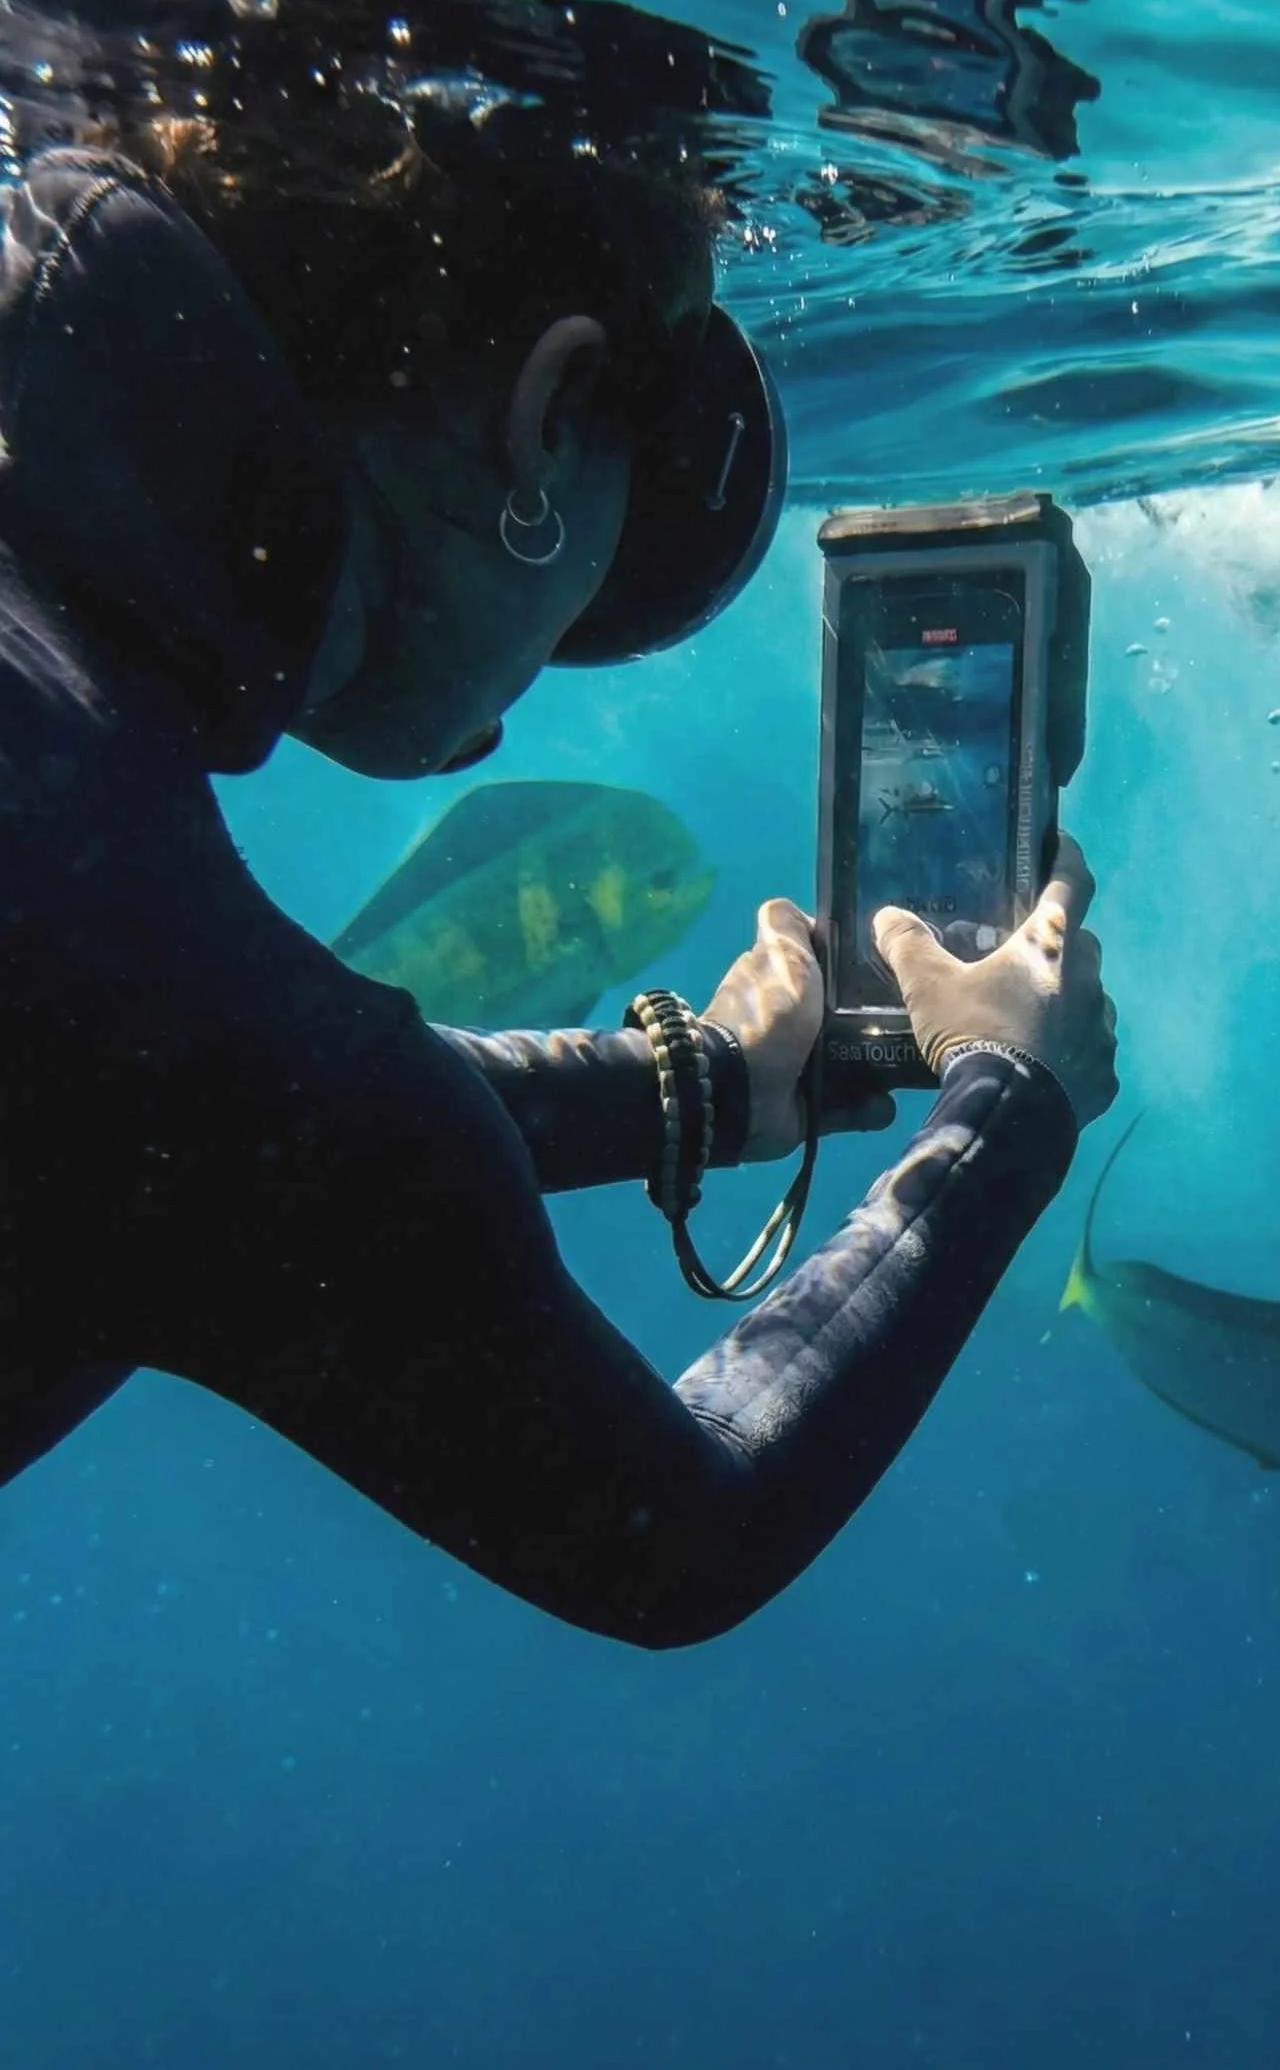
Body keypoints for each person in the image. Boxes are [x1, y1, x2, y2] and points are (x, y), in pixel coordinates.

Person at [0, 97, 1117, 1647]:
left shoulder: (85, 829)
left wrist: (705, 1087)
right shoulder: (132, 958)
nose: (554, 666)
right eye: (623, 536)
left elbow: (221, 1141)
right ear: (548, 411)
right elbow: (680, 1526)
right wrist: (1008, 1101)